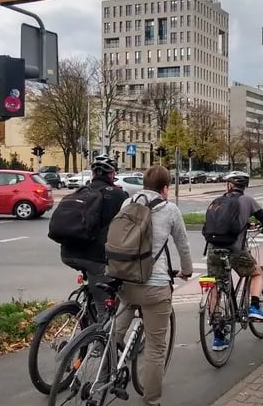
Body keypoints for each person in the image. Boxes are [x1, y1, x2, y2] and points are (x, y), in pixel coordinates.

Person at [113, 166, 193, 406]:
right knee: (156, 348)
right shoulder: (170, 209)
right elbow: (183, 245)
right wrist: (187, 271)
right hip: (155, 286)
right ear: (165, 188)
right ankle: (151, 399)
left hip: (125, 280)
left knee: (116, 330)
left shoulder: (127, 204)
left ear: (144, 184)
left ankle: (105, 365)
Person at [206, 171, 263, 350]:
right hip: (236, 251)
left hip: (214, 251)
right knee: (257, 273)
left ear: (229, 185)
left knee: (215, 288)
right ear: (245, 186)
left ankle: (218, 337)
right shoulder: (248, 201)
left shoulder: (217, 202)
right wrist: (262, 228)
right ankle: (254, 306)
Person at [58, 155, 128, 318]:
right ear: (111, 174)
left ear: (93, 173)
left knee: (96, 288)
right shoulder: (118, 195)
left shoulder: (81, 191)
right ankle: (98, 340)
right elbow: (128, 226)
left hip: (68, 254)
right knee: (106, 310)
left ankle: (87, 322)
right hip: (95, 258)